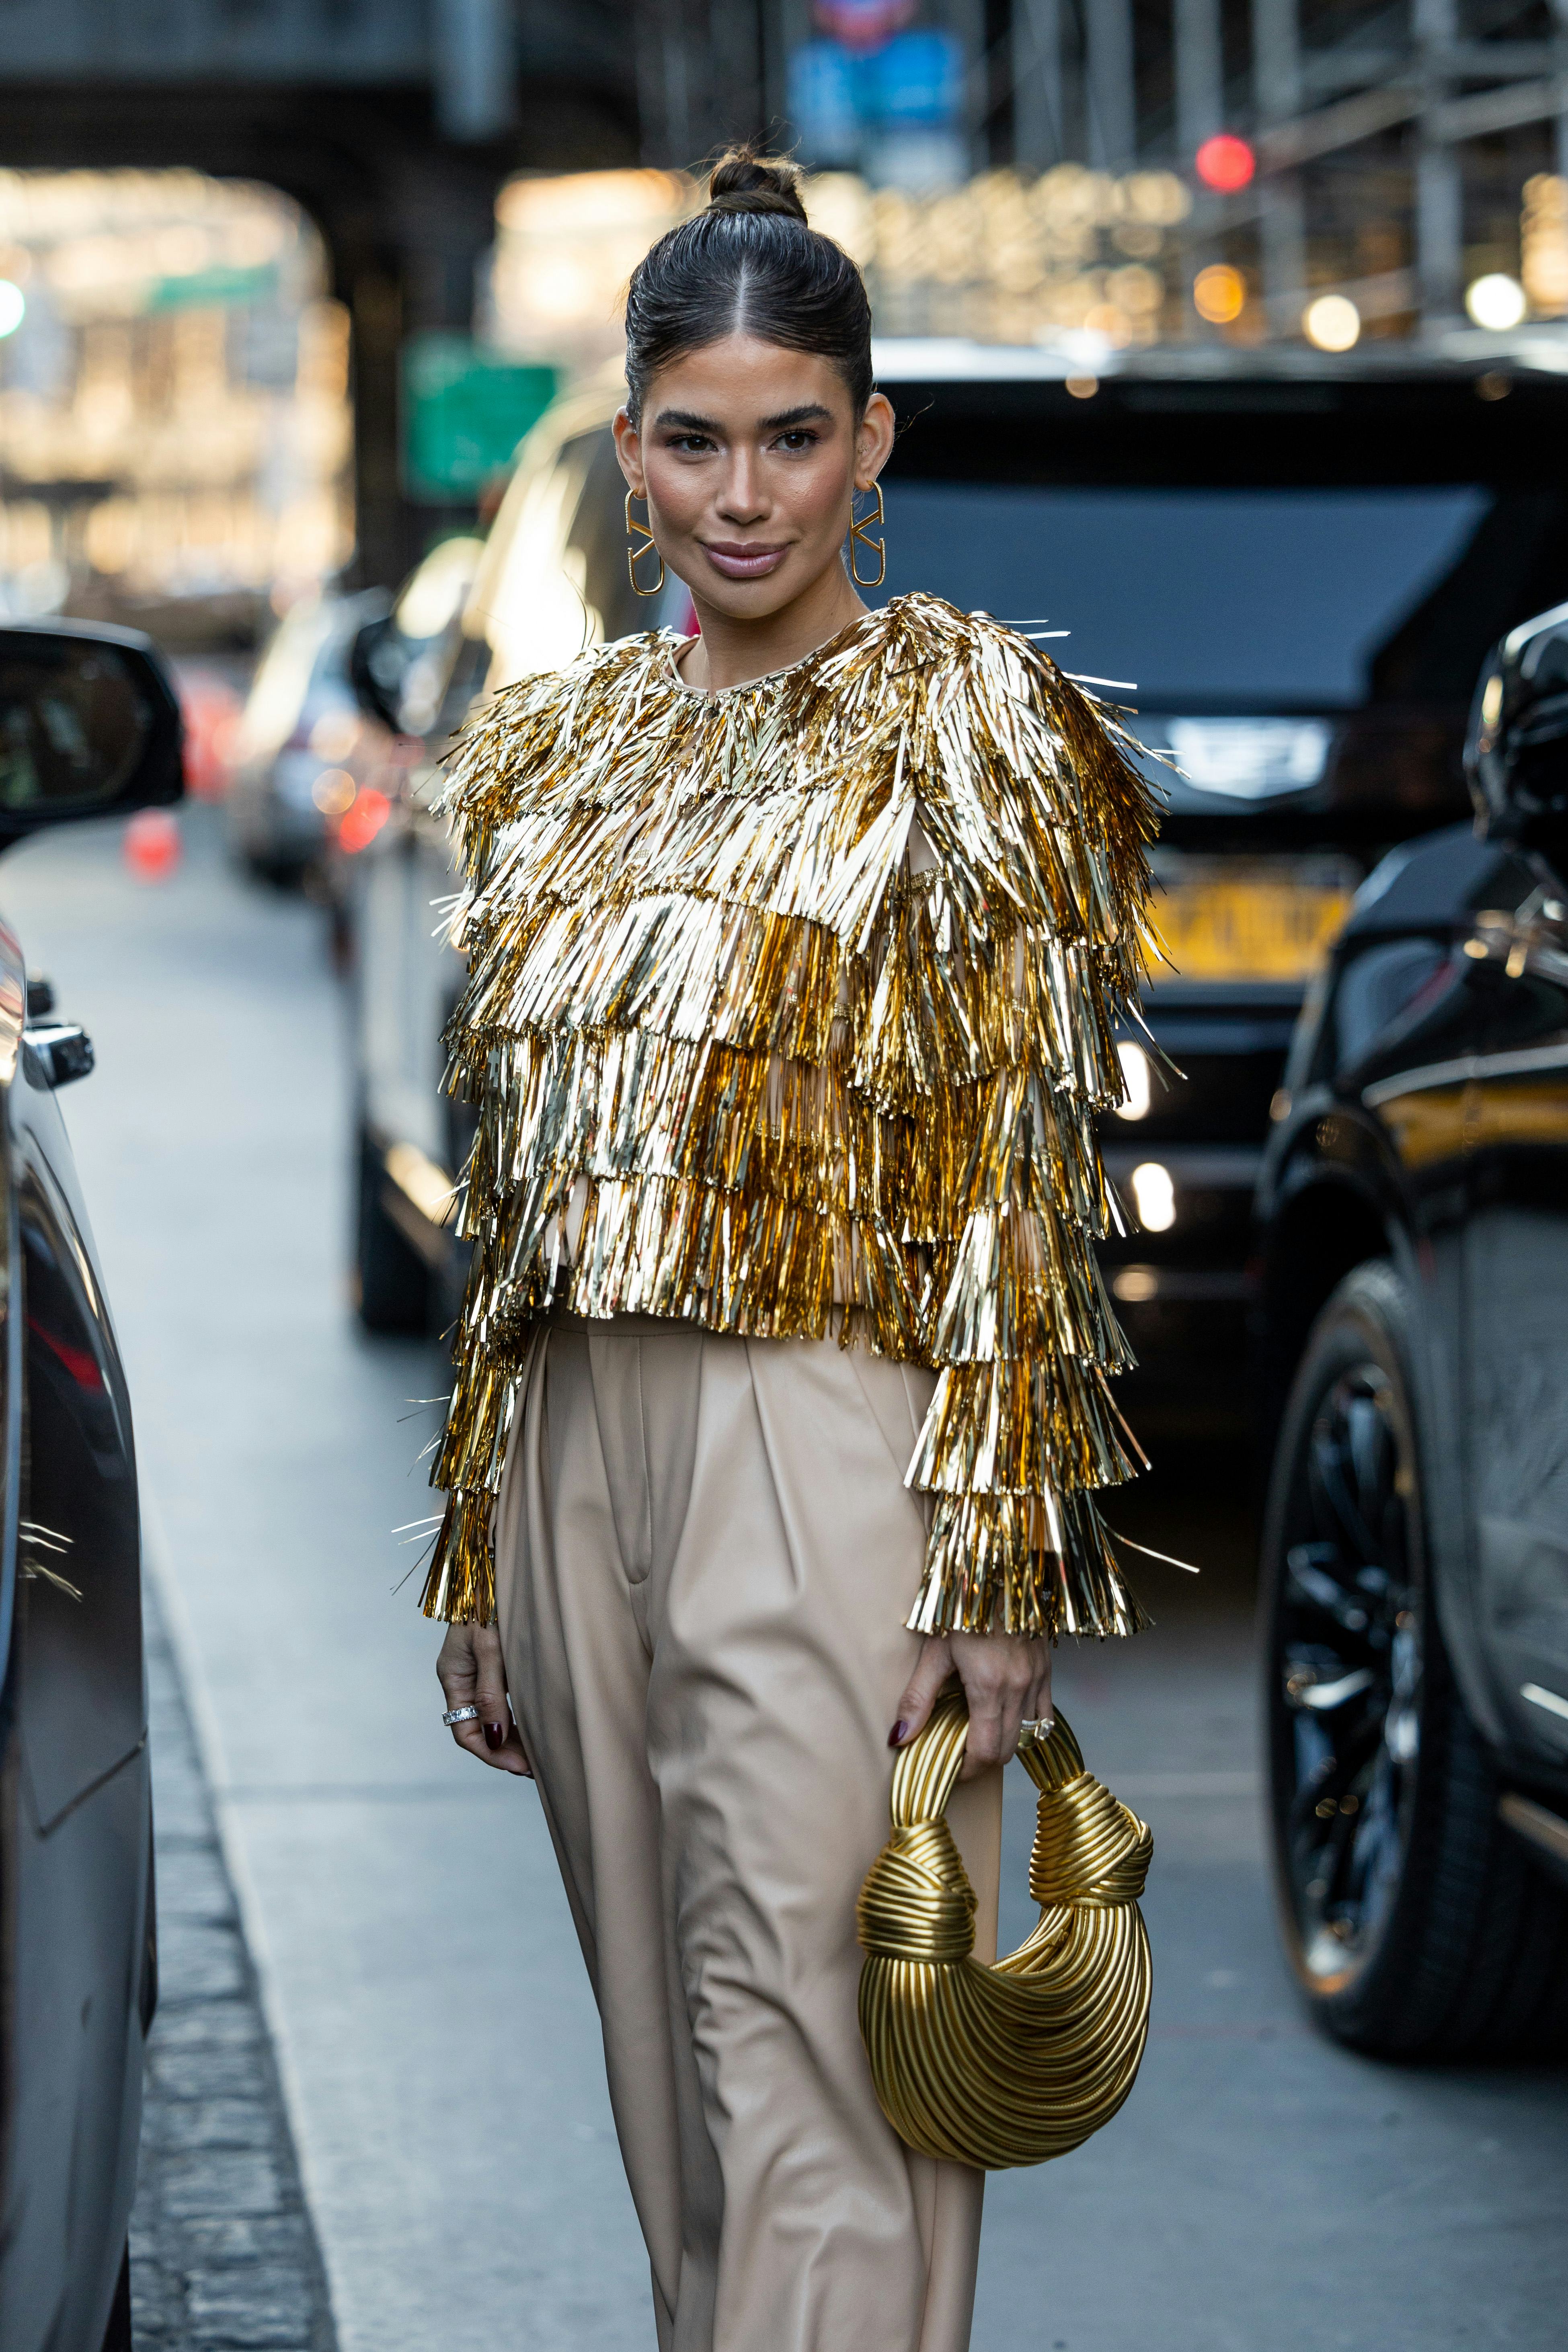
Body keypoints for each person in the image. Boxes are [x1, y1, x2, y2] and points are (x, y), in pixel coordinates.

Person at [429, 147, 1158, 2352]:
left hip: (828, 1433)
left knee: (813, 2064)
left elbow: (1021, 1170)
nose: (743, 497)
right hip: (574, 1443)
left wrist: (1000, 1566)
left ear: (872, 442)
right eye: (694, 440)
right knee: (672, 2082)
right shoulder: (551, 750)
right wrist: (479, 1539)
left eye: (793, 437)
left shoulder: (973, 727)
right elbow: (516, 1182)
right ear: (628, 447)